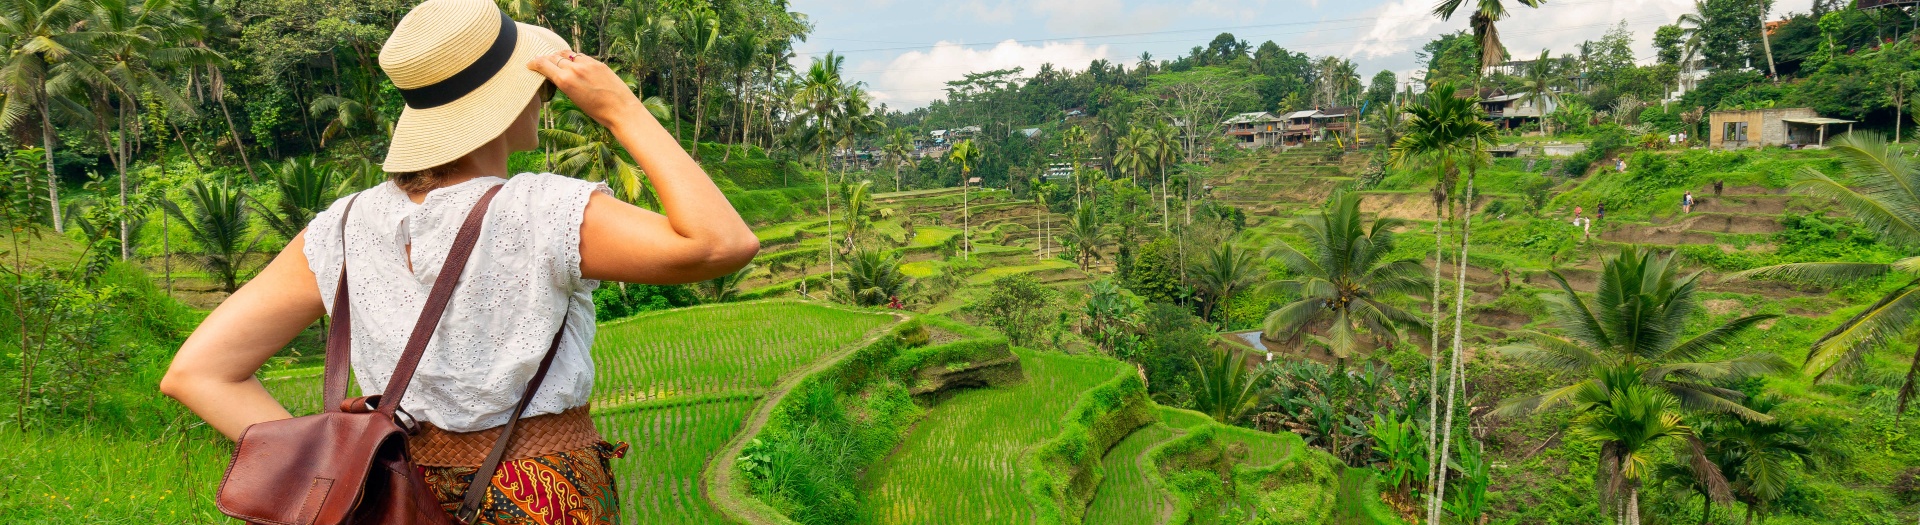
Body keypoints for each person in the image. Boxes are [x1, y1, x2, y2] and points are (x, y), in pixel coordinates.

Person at [159, 0, 761, 521]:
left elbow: (197, 374)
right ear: (509, 95)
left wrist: (331, 466)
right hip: (544, 501)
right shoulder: (539, 208)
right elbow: (719, 245)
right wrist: (620, 110)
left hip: (397, 503)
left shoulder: (341, 226)